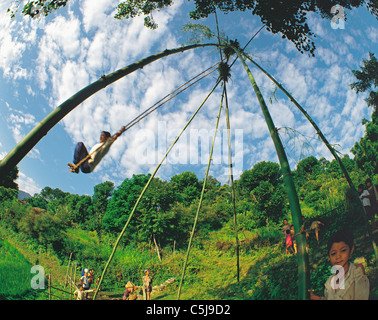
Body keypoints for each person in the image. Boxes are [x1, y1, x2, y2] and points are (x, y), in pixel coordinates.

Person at [309, 229, 370, 300]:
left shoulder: (356, 273)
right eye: (333, 253)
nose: (338, 257)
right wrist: (317, 298)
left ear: (351, 250)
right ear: (329, 257)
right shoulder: (329, 282)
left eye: (343, 250)